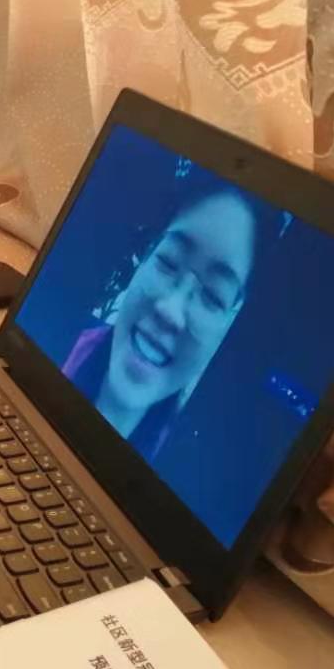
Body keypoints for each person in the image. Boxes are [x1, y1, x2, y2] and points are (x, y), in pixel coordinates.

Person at [62, 171, 283, 462]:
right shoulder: (55, 342)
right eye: (168, 261)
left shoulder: (190, 466)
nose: (170, 311)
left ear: (228, 327)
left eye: (213, 296)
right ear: (145, 258)